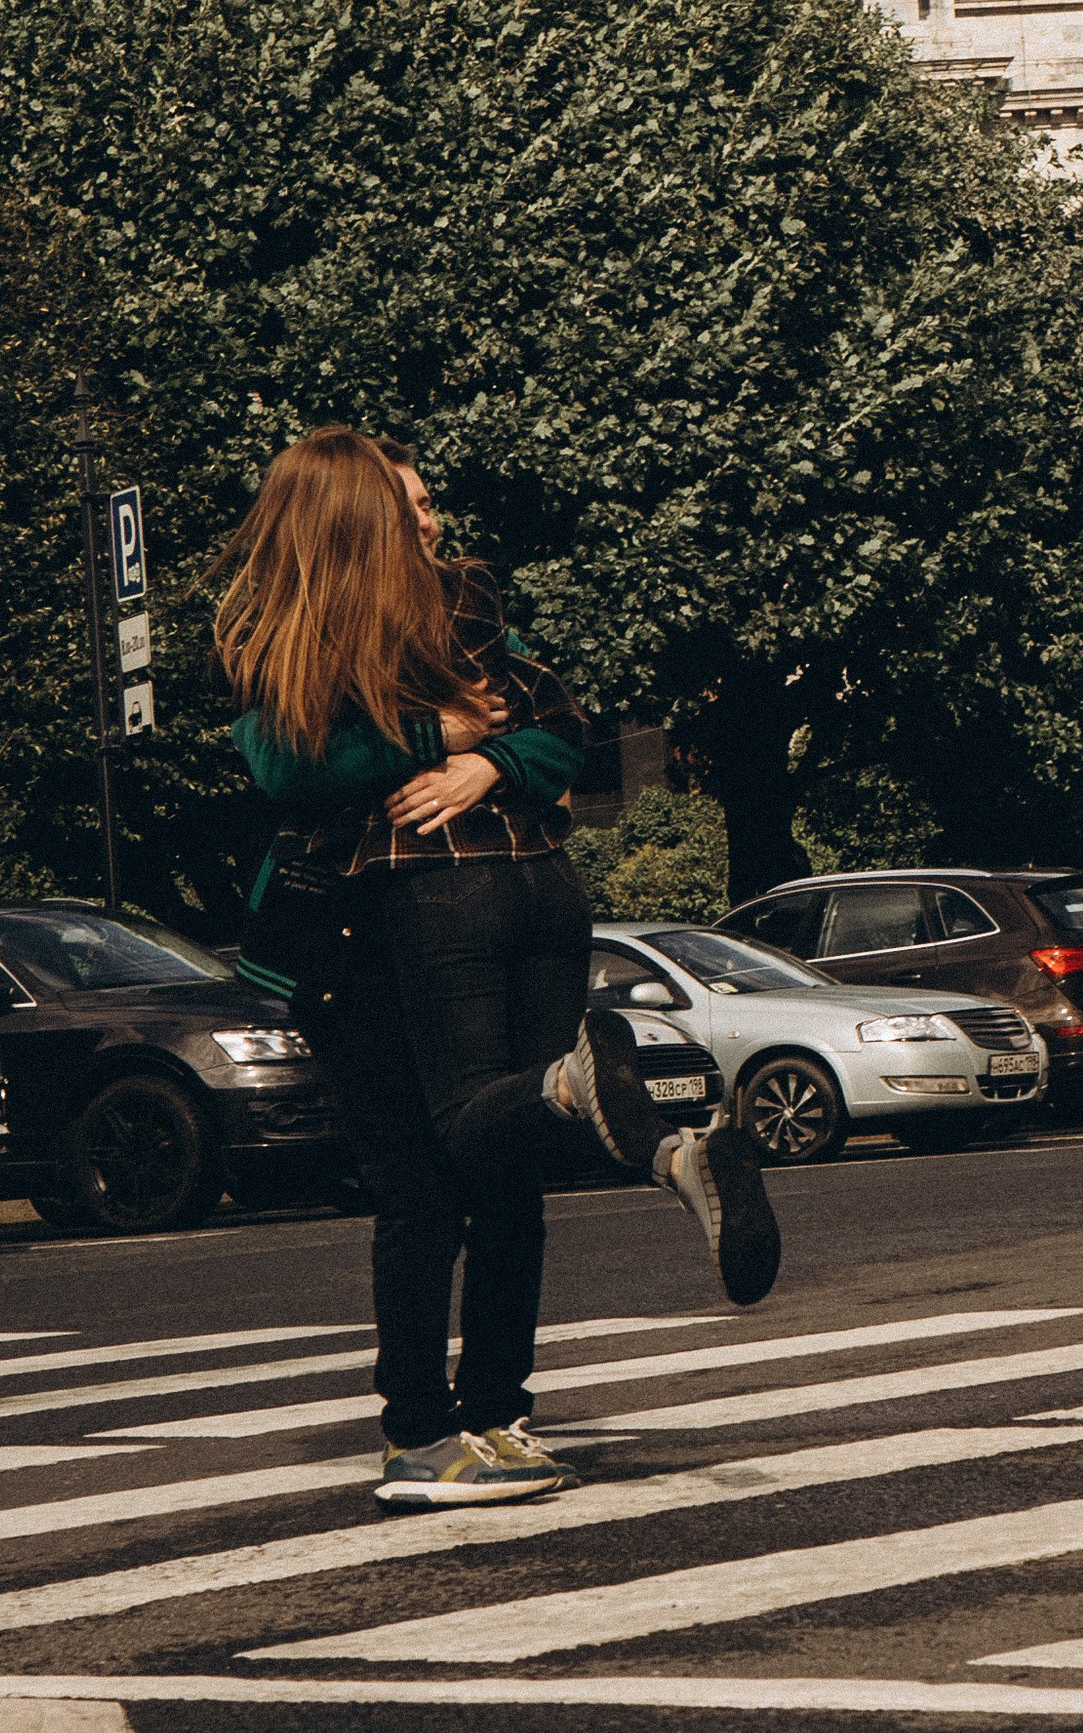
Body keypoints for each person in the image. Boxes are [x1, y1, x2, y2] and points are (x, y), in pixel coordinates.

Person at [217, 426, 778, 1511]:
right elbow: (303, 761)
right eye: (414, 505)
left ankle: (428, 1434)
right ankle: (508, 1398)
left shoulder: (338, 624)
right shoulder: (433, 617)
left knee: (424, 1176)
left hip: (413, 908)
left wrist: (478, 760)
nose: (434, 520)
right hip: (524, 887)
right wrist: (450, 737)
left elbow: (296, 765)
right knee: (495, 1164)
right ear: (359, 516)